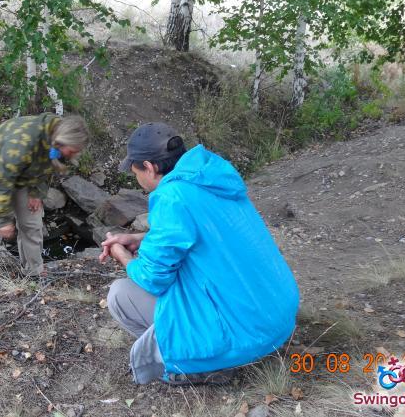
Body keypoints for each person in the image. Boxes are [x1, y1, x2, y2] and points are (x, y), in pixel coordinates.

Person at [99, 122, 299, 385]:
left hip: (246, 336)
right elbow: (208, 234)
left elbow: (152, 278)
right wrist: (139, 238)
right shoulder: (209, 177)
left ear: (150, 167)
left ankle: (198, 364)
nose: (135, 177)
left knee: (120, 294)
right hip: (277, 318)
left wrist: (120, 253)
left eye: (135, 170)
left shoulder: (171, 196)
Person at [0, 112, 89, 290]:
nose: (74, 154)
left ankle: (33, 273)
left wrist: (37, 192)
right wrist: (4, 220)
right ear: (62, 140)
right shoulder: (23, 142)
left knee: (32, 223)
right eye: (73, 151)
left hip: (24, 174)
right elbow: (3, 182)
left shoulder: (57, 141)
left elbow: (49, 166)